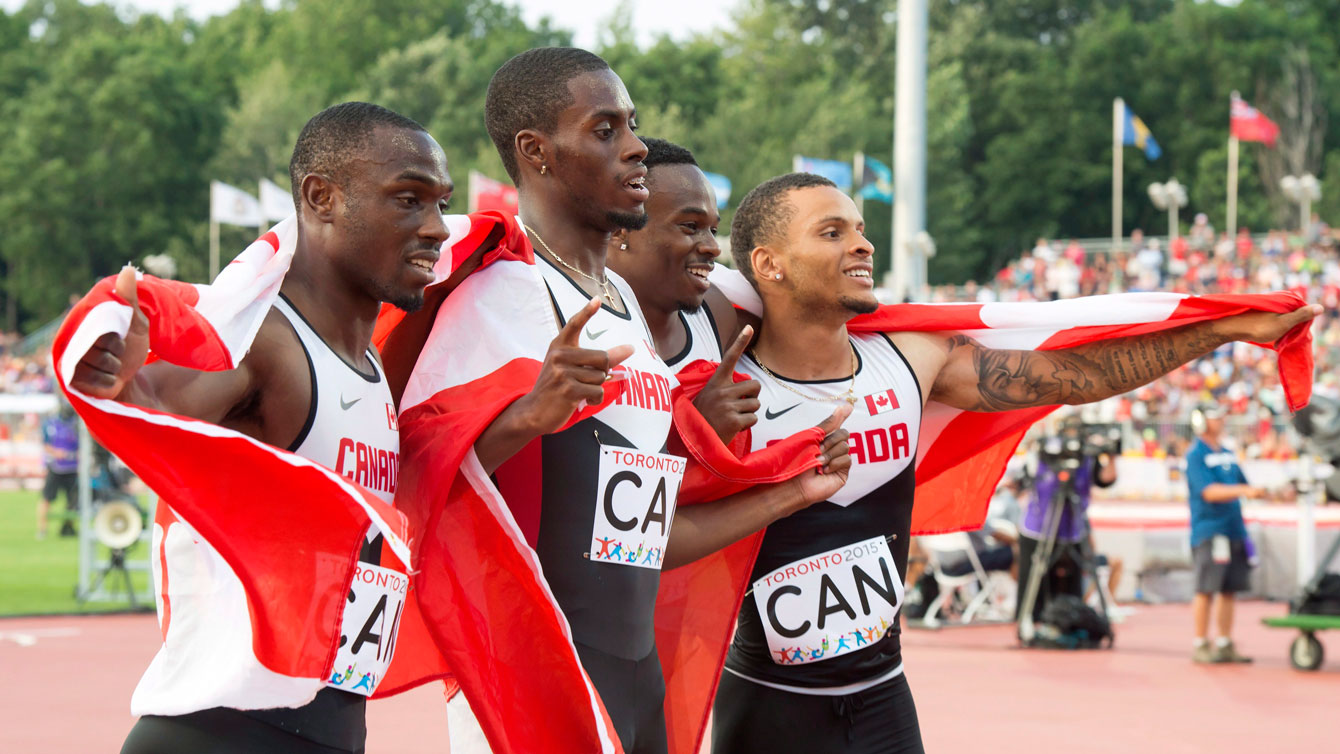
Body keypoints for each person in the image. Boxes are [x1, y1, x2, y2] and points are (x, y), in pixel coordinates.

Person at [710, 172, 1319, 753]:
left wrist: (1222, 328)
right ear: (768, 263)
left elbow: (1079, 375)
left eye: (861, 228)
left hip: (882, 702)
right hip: (769, 701)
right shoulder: (722, 382)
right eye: (832, 231)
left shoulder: (913, 361)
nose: (863, 243)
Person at [445, 49, 851, 754]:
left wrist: (791, 491)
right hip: (539, 680)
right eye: (606, 129)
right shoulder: (499, 290)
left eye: (631, 124)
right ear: (536, 153)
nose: (635, 146)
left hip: (635, 682)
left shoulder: (622, 303)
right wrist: (525, 418)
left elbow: (640, 543)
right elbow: (427, 481)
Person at [70, 102, 453, 754]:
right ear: (321, 197)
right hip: (221, 734)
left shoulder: (367, 367)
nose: (437, 228)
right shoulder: (266, 342)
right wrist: (121, 381)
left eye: (441, 203)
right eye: (408, 200)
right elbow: (160, 406)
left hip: (325, 729)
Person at [1186, 405, 1294, 664]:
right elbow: (1209, 492)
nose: (1221, 421)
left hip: (1234, 528)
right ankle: (1201, 643)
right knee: (1205, 589)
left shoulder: (1227, 452)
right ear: (1201, 421)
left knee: (1229, 589)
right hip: (1210, 530)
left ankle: (1224, 642)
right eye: (1215, 416)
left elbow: (1245, 485)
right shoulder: (1195, 454)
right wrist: (1245, 492)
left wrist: (1274, 493)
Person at [1015, 416, 1118, 629]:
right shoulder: (1044, 452)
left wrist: (1111, 455)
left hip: (1072, 528)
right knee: (1035, 579)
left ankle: (1070, 622)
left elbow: (1106, 479)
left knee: (1072, 581)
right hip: (1038, 528)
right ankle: (1029, 621)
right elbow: (1024, 479)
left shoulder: (1089, 456)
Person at [35, 400, 79, 538]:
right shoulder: (51, 423)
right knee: (47, 498)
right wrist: (56, 452)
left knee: (73, 500)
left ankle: (68, 527)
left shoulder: (77, 424)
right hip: (56, 467)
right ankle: (42, 529)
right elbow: (45, 443)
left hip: (73, 468)